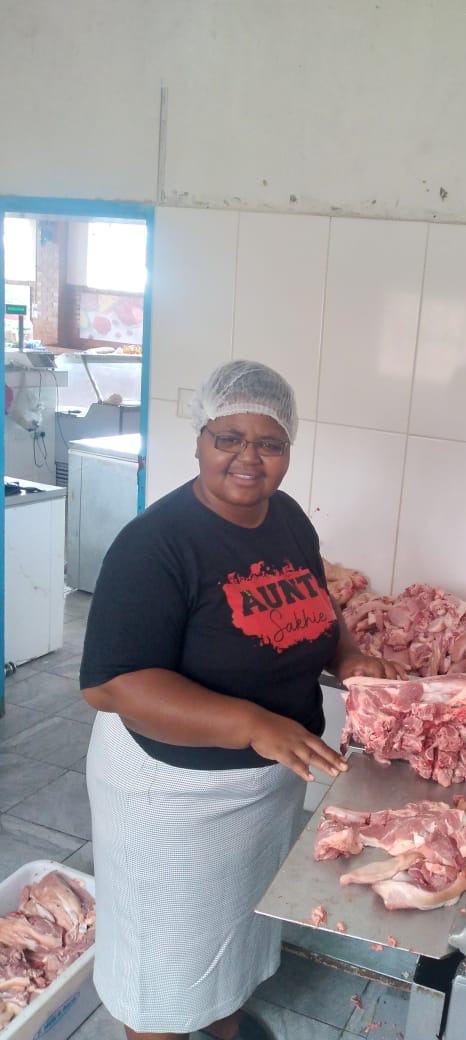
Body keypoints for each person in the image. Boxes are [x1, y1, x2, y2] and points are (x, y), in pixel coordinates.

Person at [80, 359, 404, 1040]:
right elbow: (112, 683)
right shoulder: (156, 544)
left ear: (288, 451)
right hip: (173, 793)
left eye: (269, 442)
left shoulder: (285, 518)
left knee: (233, 935)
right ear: (198, 439)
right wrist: (251, 723)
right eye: (228, 438)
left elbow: (315, 604)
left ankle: (221, 1025)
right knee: (162, 968)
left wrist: (347, 656)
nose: (247, 458)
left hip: (265, 782)